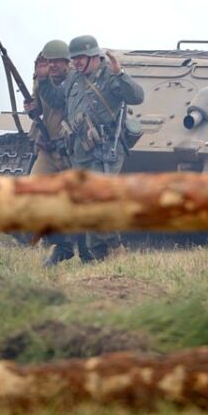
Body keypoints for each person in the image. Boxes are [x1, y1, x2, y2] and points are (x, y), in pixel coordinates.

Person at [60, 34, 145, 262]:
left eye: (81, 58)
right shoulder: (73, 79)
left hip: (106, 148)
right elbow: (61, 102)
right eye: (74, 58)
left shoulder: (110, 75)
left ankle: (115, 247)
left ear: (93, 56)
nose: (76, 62)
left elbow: (137, 97)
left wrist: (120, 73)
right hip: (80, 149)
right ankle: (97, 255)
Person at [23, 39, 76, 266]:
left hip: (73, 150)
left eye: (56, 61)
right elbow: (42, 108)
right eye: (48, 61)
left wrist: (44, 81)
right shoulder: (41, 79)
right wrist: (32, 109)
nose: (52, 65)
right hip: (48, 147)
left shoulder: (76, 81)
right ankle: (61, 244)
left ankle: (95, 246)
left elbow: (58, 100)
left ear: (67, 62)